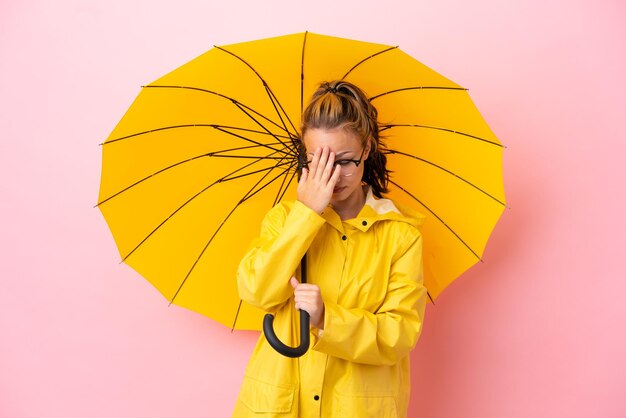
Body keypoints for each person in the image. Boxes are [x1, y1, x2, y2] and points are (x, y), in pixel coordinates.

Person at [232, 80, 427, 417]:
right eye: (317, 161)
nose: (331, 176)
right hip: (280, 404)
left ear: (366, 149)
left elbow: (400, 333)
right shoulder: (284, 219)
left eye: (343, 161)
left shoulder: (400, 234)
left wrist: (327, 318)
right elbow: (256, 291)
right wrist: (305, 217)